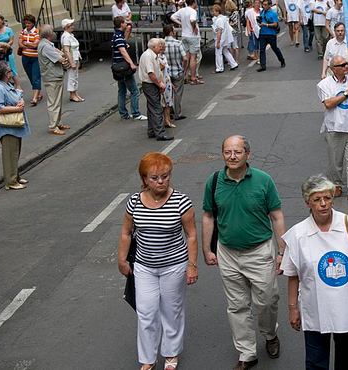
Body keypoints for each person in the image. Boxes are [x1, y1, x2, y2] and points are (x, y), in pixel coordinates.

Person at [201, 135, 286, 370]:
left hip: (260, 252)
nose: (232, 156)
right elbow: (209, 215)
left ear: (248, 154)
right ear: (222, 155)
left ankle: (270, 335)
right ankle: (247, 353)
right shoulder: (215, 181)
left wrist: (282, 252)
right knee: (237, 305)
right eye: (228, 152)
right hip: (227, 252)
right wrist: (207, 249)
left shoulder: (263, 180)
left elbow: (276, 216)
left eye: (237, 152)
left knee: (267, 301)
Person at [282, 174, 348, 370]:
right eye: (317, 199)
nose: (323, 204)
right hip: (314, 308)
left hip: (346, 306)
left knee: (345, 358)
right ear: (307, 203)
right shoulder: (298, 234)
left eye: (327, 198)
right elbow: (293, 275)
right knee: (316, 361)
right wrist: (293, 308)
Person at [118, 152, 199, 370]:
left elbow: (191, 235)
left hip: (174, 265)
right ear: (144, 179)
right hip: (144, 266)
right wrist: (122, 260)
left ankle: (171, 354)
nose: (161, 181)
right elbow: (126, 232)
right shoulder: (134, 201)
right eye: (154, 177)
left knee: (171, 310)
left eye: (165, 176)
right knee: (146, 311)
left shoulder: (181, 202)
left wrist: (192, 266)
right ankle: (148, 358)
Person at [317, 56, 348, 204]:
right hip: (334, 128)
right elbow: (328, 104)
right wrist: (346, 93)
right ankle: (336, 184)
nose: (347, 66)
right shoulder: (324, 85)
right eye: (343, 65)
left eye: (347, 64)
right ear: (334, 69)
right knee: (335, 161)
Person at [0, 61, 29, 189]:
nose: (12, 72)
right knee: (9, 154)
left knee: (14, 152)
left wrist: (20, 103)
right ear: (6, 74)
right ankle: (11, 181)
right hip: (7, 126)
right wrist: (17, 109)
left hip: (14, 125)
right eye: (10, 71)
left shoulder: (6, 85)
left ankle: (15, 176)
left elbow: (17, 96)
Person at [37, 24, 71, 136]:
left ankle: (58, 122)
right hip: (52, 77)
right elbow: (61, 59)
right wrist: (64, 58)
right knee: (54, 102)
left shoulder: (46, 44)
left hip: (54, 76)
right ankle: (53, 126)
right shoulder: (46, 46)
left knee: (57, 101)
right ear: (49, 34)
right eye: (52, 30)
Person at [112, 16, 146, 121]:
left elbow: (124, 41)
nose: (126, 24)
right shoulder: (118, 37)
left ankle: (124, 113)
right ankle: (136, 113)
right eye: (125, 22)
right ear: (121, 24)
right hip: (124, 68)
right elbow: (123, 50)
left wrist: (128, 29)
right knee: (134, 90)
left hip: (117, 67)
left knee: (122, 91)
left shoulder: (117, 36)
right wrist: (131, 63)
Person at [138, 38, 173, 141]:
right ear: (153, 47)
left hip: (152, 84)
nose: (160, 47)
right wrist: (159, 84)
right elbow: (151, 73)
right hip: (150, 84)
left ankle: (152, 130)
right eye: (159, 46)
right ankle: (160, 133)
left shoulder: (153, 55)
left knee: (151, 108)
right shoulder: (149, 56)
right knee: (156, 108)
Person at [170, 0, 201, 84]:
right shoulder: (193, 11)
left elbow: (172, 17)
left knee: (186, 57)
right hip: (193, 36)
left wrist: (181, 23)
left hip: (184, 35)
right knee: (193, 57)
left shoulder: (182, 10)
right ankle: (193, 78)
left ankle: (184, 76)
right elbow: (192, 20)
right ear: (194, 2)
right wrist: (194, 27)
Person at [164, 24, 188, 121]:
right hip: (177, 71)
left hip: (166, 72)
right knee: (178, 93)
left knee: (168, 93)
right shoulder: (178, 43)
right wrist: (184, 68)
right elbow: (185, 58)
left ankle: (170, 111)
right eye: (174, 30)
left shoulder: (161, 43)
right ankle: (178, 113)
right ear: (171, 32)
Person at [18, 15, 42, 106]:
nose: (27, 24)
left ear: (33, 23)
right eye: (26, 23)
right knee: (30, 75)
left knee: (36, 76)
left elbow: (35, 45)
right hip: (25, 57)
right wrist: (29, 45)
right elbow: (19, 44)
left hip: (35, 57)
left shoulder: (37, 32)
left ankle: (35, 97)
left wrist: (25, 43)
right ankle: (38, 93)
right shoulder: (22, 32)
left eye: (29, 23)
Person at [0, 15, 20, 90]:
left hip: (7, 52)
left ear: (2, 20)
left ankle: (18, 85)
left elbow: (11, 40)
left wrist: (7, 45)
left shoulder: (8, 30)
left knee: (11, 67)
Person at [60, 19, 84, 102]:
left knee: (75, 76)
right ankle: (72, 94)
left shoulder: (70, 35)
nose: (72, 27)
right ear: (66, 27)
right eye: (70, 26)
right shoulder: (66, 37)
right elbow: (66, 50)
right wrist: (71, 62)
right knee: (71, 77)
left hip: (75, 58)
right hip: (72, 59)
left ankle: (75, 93)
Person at [212, 5, 240, 73]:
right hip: (224, 38)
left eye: (213, 11)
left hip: (220, 38)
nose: (212, 13)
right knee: (225, 51)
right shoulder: (223, 18)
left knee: (218, 53)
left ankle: (219, 68)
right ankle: (233, 64)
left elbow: (219, 31)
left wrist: (218, 41)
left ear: (217, 11)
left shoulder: (219, 20)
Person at [158, 42, 175, 130]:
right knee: (163, 102)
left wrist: (170, 82)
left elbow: (167, 71)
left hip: (167, 81)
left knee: (168, 103)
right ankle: (164, 121)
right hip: (162, 82)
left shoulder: (164, 57)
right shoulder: (157, 58)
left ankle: (167, 120)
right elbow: (159, 69)